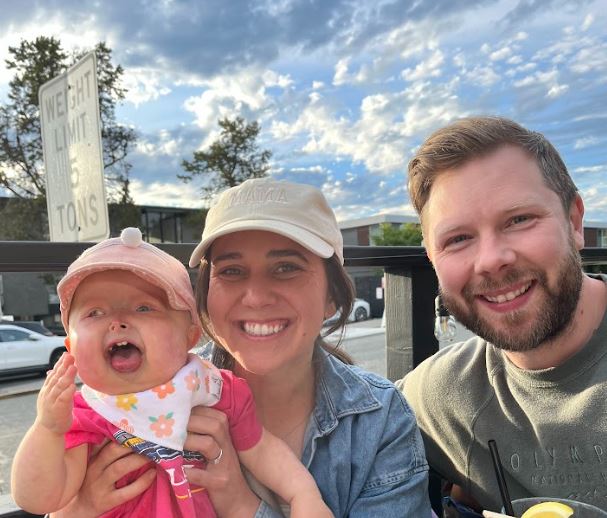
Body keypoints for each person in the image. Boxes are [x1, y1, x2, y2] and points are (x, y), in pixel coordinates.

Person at [50, 178, 433, 517]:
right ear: (205, 296)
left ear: (331, 296)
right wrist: (76, 511)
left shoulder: (378, 420)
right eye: (231, 271)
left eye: (286, 267)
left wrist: (238, 504)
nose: (256, 297)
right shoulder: (127, 393)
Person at [11, 227, 332, 517]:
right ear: (70, 346)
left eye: (143, 308)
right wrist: (48, 429)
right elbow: (38, 499)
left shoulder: (212, 389)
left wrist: (303, 494)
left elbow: (261, 450)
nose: (118, 321)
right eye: (94, 312)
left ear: (189, 337)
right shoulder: (85, 413)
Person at [397, 116, 607, 514]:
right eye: (458, 239)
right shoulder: (443, 395)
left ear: (574, 221)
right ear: (432, 258)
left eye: (519, 220)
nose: (491, 260)